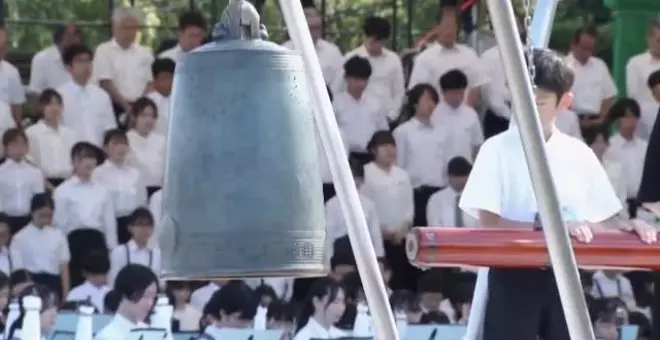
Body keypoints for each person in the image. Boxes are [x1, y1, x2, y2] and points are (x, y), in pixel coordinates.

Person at [459, 48, 656, 340]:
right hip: (514, 274)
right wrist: (553, 229)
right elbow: (489, 225)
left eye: (539, 102)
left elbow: (603, 221)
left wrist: (628, 229)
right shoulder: (496, 149)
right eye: (521, 99)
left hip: (569, 279)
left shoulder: (578, 152)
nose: (527, 109)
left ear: (564, 102)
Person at [54, 142, 117, 287]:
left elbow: (109, 223)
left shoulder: (103, 190)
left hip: (97, 241)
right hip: (75, 242)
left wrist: (112, 248)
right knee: (77, 283)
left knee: (99, 285)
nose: (88, 162)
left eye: (91, 157)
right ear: (74, 162)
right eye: (83, 158)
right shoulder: (63, 190)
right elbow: (60, 224)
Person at [393, 84, 448, 230]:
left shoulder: (442, 131)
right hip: (416, 193)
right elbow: (399, 165)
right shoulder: (403, 132)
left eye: (433, 101)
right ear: (415, 103)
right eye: (427, 100)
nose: (431, 104)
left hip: (439, 190)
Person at [324, 157, 384, 265]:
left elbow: (375, 235)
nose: (353, 181)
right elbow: (329, 237)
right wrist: (327, 263)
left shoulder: (369, 205)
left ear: (362, 180)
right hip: (340, 256)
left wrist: (379, 260)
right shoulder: (332, 205)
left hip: (365, 257)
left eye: (356, 178)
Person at [93, 129, 147, 244]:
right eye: (116, 143)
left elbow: (142, 203)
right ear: (106, 148)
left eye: (124, 143)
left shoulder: (135, 173)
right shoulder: (98, 173)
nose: (121, 147)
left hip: (132, 225)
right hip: (109, 223)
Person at [12, 193, 70, 299]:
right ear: (32, 212)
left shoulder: (59, 235)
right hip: (30, 284)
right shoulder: (19, 237)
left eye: (49, 216)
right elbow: (18, 271)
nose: (46, 219)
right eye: (42, 215)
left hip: (53, 283)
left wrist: (66, 296)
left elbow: (64, 269)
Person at [334, 56, 389, 165]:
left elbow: (383, 132)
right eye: (356, 79)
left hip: (371, 157)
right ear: (346, 78)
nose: (361, 84)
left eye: (364, 80)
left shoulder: (375, 103)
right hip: (345, 157)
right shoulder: (336, 104)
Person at [25, 89, 80, 189]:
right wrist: (47, 186)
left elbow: (77, 162)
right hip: (43, 184)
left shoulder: (71, 134)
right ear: (42, 107)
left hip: (69, 184)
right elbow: (30, 163)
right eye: (49, 104)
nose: (54, 108)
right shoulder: (32, 132)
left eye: (57, 104)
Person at [604, 98, 647, 219]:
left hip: (643, 208)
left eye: (634, 117)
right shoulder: (610, 146)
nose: (631, 121)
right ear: (617, 119)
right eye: (626, 117)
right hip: (621, 208)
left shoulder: (644, 147)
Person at [94, 264, 158, 339]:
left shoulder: (150, 333)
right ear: (125, 294)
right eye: (145, 296)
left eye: (153, 298)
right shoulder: (107, 336)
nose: (150, 303)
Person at [0, 128, 46, 234]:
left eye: (22, 144)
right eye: (14, 144)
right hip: (4, 220)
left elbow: (39, 199)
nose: (19, 148)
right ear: (6, 147)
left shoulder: (35, 172)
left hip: (29, 220)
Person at [432, 69, 484, 162]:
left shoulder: (471, 114)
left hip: (465, 167)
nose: (457, 97)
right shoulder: (434, 115)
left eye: (461, 93)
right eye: (453, 93)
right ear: (444, 92)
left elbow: (477, 145)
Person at [108, 208, 161, 287]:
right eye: (140, 224)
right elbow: (113, 281)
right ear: (130, 228)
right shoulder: (119, 252)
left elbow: (160, 280)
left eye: (148, 225)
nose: (144, 229)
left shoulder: (157, 253)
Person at [126, 97, 166, 197]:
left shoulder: (163, 140)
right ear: (134, 117)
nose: (148, 120)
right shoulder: (126, 140)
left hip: (159, 192)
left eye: (152, 116)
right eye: (144, 115)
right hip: (135, 192)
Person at [426, 156, 476, 228]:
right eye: (456, 176)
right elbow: (434, 226)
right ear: (449, 177)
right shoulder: (436, 199)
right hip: (444, 238)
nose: (459, 180)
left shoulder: (477, 198)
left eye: (463, 176)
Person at [146, 58, 175, 135]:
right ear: (155, 80)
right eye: (164, 78)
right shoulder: (148, 102)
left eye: (170, 77)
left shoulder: (180, 100)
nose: (168, 82)